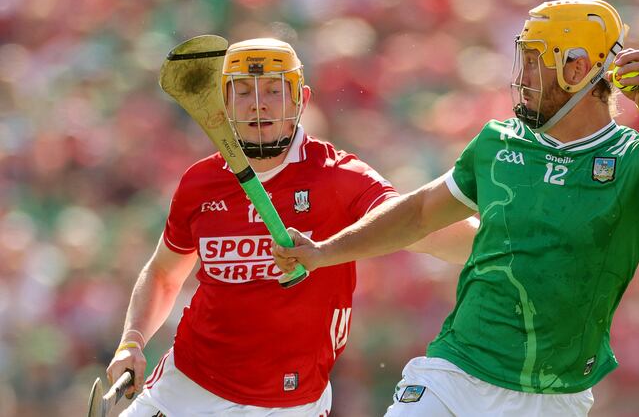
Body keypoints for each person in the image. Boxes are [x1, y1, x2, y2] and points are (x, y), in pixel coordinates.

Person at [273, 0, 639, 417]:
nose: (522, 77)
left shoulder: (635, 162)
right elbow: (418, 214)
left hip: (555, 393)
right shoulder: (498, 142)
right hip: (457, 369)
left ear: (577, 69)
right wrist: (324, 252)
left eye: (536, 63)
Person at [105, 37, 477, 416]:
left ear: (301, 99)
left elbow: (416, 226)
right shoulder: (199, 182)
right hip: (186, 387)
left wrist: (507, 248)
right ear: (224, 102)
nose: (258, 103)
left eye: (273, 90)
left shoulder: (339, 177)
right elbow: (165, 274)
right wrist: (131, 342)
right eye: (243, 91)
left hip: (289, 405)